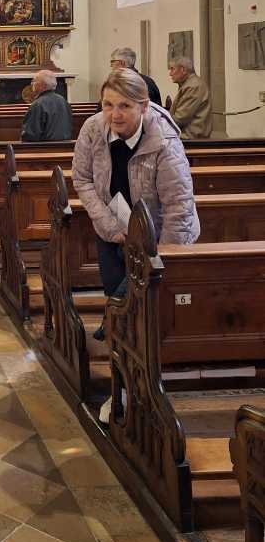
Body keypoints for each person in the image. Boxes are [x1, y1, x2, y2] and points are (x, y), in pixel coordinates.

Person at [72, 68, 198, 343]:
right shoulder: (93, 129)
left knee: (141, 303)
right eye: (108, 105)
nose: (114, 114)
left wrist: (162, 256)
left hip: (158, 233)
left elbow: (179, 206)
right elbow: (82, 179)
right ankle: (119, 346)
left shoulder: (164, 141)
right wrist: (107, 224)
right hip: (111, 223)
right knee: (114, 291)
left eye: (125, 106)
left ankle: (133, 348)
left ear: (143, 106)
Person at [21, 70, 73, 142]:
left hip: (44, 147)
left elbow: (30, 135)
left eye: (34, 81)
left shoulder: (38, 104)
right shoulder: (63, 101)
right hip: (66, 146)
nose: (32, 84)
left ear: (42, 85)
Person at [168, 56, 212, 138]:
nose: (170, 74)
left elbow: (180, 118)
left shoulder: (193, 86)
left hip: (189, 138)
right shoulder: (189, 84)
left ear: (183, 70)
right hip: (187, 136)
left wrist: (159, 123)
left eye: (172, 69)